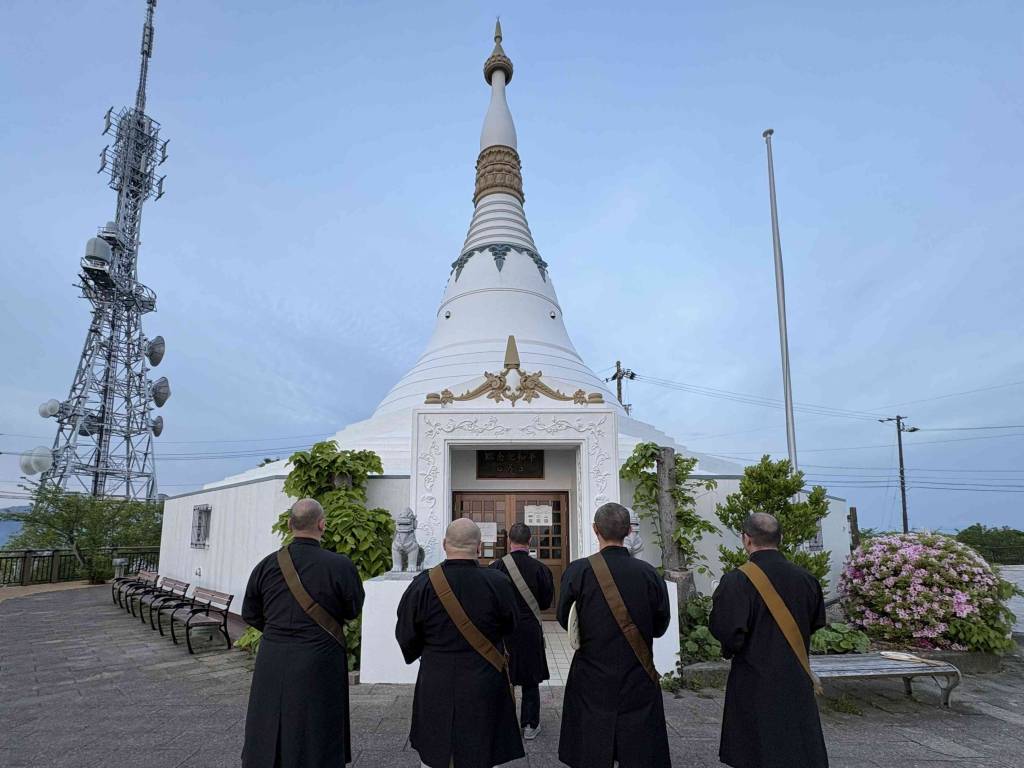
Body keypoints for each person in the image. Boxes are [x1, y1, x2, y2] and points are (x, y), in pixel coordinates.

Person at [241, 498, 365, 768]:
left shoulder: (266, 565)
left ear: (289, 524)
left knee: (269, 718)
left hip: (273, 655)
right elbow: (353, 608)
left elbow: (250, 612)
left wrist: (279, 631)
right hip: (320, 655)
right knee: (319, 722)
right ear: (322, 525)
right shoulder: (340, 565)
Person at [396, 517, 525, 768]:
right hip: (484, 676)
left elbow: (406, 633)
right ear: (479, 547)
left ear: (444, 544)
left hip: (436, 676)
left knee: (436, 749)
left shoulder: (423, 584)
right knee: (483, 747)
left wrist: (426, 651)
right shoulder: (498, 583)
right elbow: (512, 626)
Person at [557, 502, 672, 768]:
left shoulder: (578, 571)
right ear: (629, 531)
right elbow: (660, 625)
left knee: (591, 743)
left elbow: (566, 619)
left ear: (595, 529)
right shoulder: (648, 573)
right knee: (639, 746)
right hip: (637, 668)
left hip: (591, 669)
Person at [709, 512, 829, 768]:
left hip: (754, 678)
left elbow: (727, 631)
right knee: (797, 746)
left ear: (746, 539)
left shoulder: (736, 581)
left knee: (756, 749)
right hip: (796, 675)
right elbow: (816, 621)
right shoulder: (806, 579)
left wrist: (733, 648)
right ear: (780, 538)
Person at [489, 521, 554, 739]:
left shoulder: (496, 568)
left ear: (509, 541)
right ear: (530, 541)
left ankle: (502, 724)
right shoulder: (541, 569)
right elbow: (544, 604)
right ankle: (529, 724)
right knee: (530, 679)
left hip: (503, 630)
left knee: (502, 677)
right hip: (529, 630)